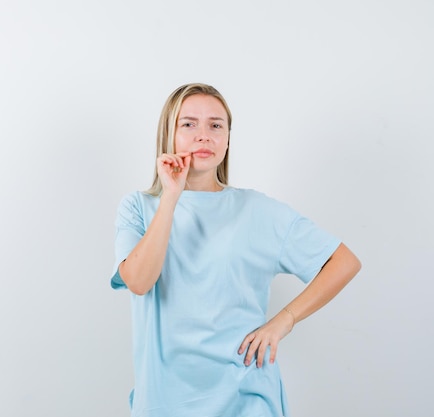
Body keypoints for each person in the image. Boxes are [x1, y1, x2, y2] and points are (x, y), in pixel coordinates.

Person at [110, 83, 361, 417]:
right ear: (167, 134)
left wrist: (284, 320)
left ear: (227, 138)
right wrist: (171, 196)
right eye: (189, 124)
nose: (204, 135)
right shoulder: (139, 208)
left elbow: (343, 262)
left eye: (216, 125)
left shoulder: (258, 211)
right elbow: (139, 281)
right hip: (165, 402)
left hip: (246, 399)